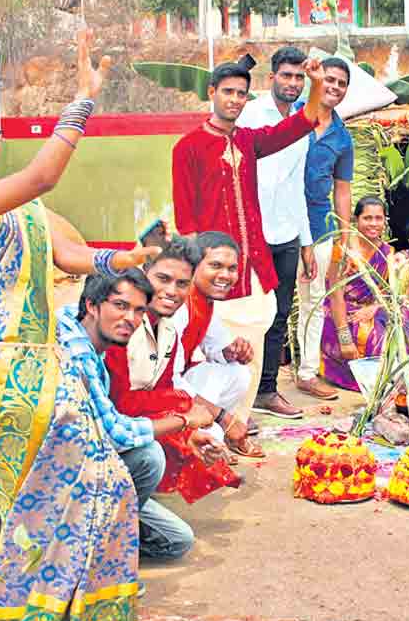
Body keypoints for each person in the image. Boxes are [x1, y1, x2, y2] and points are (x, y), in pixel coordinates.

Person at [0, 31, 159, 621]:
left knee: (46, 502)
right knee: (87, 491)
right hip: (2, 375)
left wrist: (131, 258)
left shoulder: (18, 210)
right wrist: (82, 101)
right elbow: (45, 173)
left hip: (41, 370)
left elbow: (72, 255)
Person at [172, 55, 327, 420]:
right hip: (214, 271)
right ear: (212, 93)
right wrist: (197, 273)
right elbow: (185, 218)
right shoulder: (188, 147)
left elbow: (302, 123)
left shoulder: (248, 141)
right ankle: (215, 421)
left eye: (241, 94)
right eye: (228, 92)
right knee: (215, 346)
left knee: (256, 336)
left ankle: (240, 420)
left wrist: (317, 84)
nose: (235, 100)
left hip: (253, 263)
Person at [58, 270, 211, 562]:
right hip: (61, 472)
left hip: (90, 462)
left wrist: (186, 432)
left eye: (139, 310)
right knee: (148, 457)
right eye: (120, 305)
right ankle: (91, 557)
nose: (130, 318)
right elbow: (115, 433)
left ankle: (109, 538)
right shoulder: (76, 351)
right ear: (91, 305)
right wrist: (185, 421)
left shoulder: (91, 336)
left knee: (177, 540)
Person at [104, 237, 244, 495]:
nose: (172, 291)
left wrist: (190, 425)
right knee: (154, 454)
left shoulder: (167, 328)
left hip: (135, 418)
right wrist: (186, 415)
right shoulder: (125, 323)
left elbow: (165, 386)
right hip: (106, 429)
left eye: (182, 284)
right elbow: (121, 403)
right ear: (144, 274)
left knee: (205, 432)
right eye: (163, 279)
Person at [235, 46, 314, 418]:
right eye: (287, 75)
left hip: (286, 234)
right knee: (247, 314)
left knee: (280, 315)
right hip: (250, 236)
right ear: (272, 78)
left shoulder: (302, 123)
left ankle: (267, 390)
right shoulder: (249, 115)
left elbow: (296, 185)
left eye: (299, 77)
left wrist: (307, 242)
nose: (293, 83)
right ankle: (238, 399)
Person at [293, 57, 354, 405]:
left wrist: (344, 241)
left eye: (341, 83)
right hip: (280, 223)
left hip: (318, 227)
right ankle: (261, 382)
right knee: (269, 301)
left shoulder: (342, 138)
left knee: (312, 301)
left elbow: (342, 190)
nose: (333, 87)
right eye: (328, 79)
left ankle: (306, 373)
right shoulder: (291, 115)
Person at [179, 231, 265, 459]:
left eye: (231, 268)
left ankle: (207, 434)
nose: (225, 275)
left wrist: (235, 351)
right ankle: (203, 438)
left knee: (238, 372)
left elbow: (219, 345)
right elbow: (165, 381)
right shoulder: (179, 302)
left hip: (174, 385)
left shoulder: (203, 299)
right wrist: (223, 417)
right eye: (215, 265)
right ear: (194, 266)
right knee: (215, 432)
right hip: (152, 395)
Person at [319, 196, 398, 392]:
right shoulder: (342, 249)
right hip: (341, 308)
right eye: (367, 218)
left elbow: (391, 292)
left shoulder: (387, 252)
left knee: (403, 319)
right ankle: (372, 381)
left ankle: (395, 378)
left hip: (373, 307)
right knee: (369, 334)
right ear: (356, 220)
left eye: (379, 218)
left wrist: (375, 307)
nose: (373, 224)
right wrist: (344, 338)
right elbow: (335, 293)